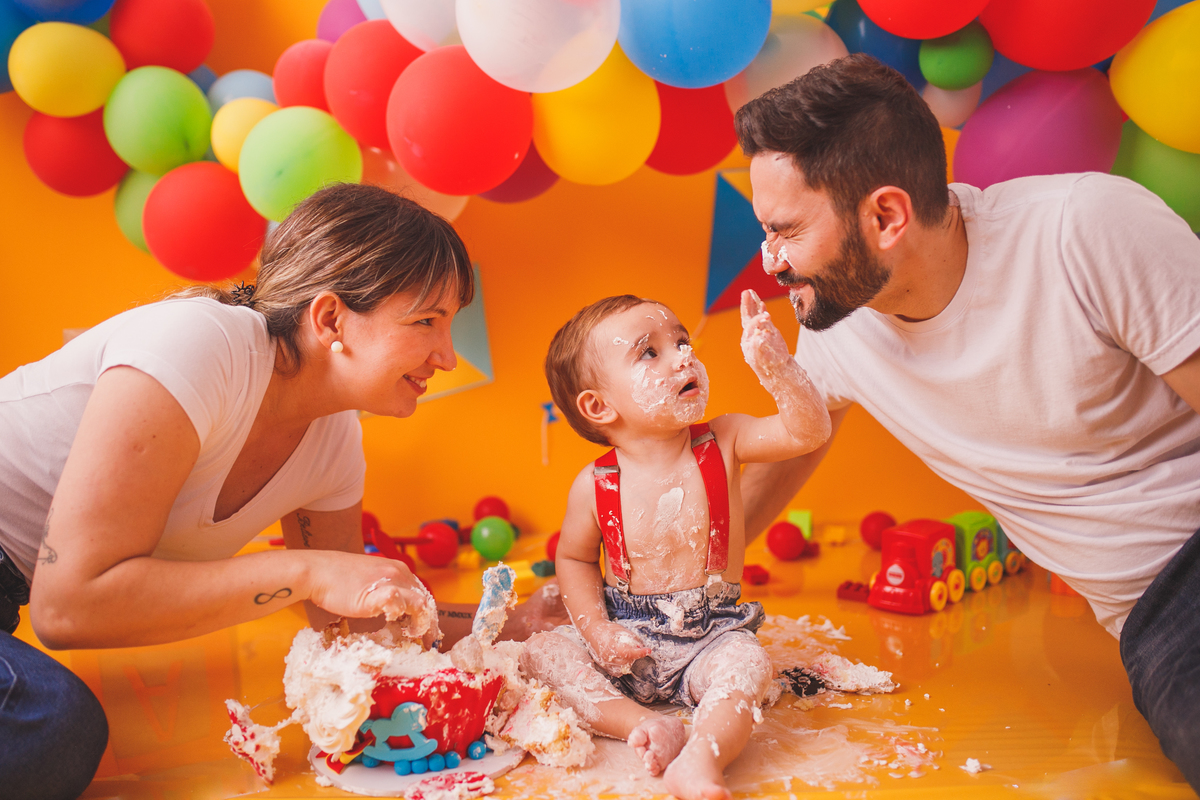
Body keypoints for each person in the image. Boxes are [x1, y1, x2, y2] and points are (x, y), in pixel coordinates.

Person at [0, 183, 564, 800]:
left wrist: (516, 620)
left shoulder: (334, 441)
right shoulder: (199, 345)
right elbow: (66, 608)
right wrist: (308, 568)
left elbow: (348, 612)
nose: (448, 356)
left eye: (451, 325)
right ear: (330, 320)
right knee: (52, 724)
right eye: (426, 321)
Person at [733, 53, 1200, 790]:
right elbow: (797, 439)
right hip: (1159, 611)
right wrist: (668, 598)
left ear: (885, 215)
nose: (770, 263)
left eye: (786, 231)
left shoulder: (1083, 230)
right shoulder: (837, 326)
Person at [521, 291, 831, 800]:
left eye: (682, 341)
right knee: (543, 652)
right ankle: (640, 724)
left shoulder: (725, 441)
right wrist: (597, 632)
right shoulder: (594, 484)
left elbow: (809, 431)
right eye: (650, 351)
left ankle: (702, 756)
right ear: (599, 406)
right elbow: (574, 558)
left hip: (709, 636)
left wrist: (778, 368)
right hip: (627, 644)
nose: (683, 356)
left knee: (747, 665)